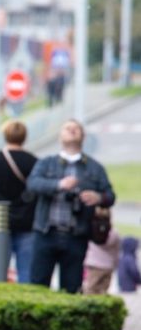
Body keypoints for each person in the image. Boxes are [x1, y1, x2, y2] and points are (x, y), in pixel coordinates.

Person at [26, 119, 115, 294]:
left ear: (83, 136)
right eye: (68, 128)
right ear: (60, 135)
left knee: (72, 289)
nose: (72, 131)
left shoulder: (94, 168)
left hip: (77, 235)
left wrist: (97, 197)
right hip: (46, 232)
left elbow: (110, 196)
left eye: (76, 129)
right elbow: (33, 184)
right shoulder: (47, 163)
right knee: (38, 286)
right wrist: (59, 185)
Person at [0, 120, 38, 283]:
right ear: (24, 137)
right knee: (26, 273)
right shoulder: (33, 161)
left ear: (5, 136)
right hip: (27, 222)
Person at [83, 227, 121, 295]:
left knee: (90, 289)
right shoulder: (114, 234)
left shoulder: (91, 231)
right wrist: (115, 264)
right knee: (103, 291)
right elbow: (116, 252)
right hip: (108, 265)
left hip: (94, 265)